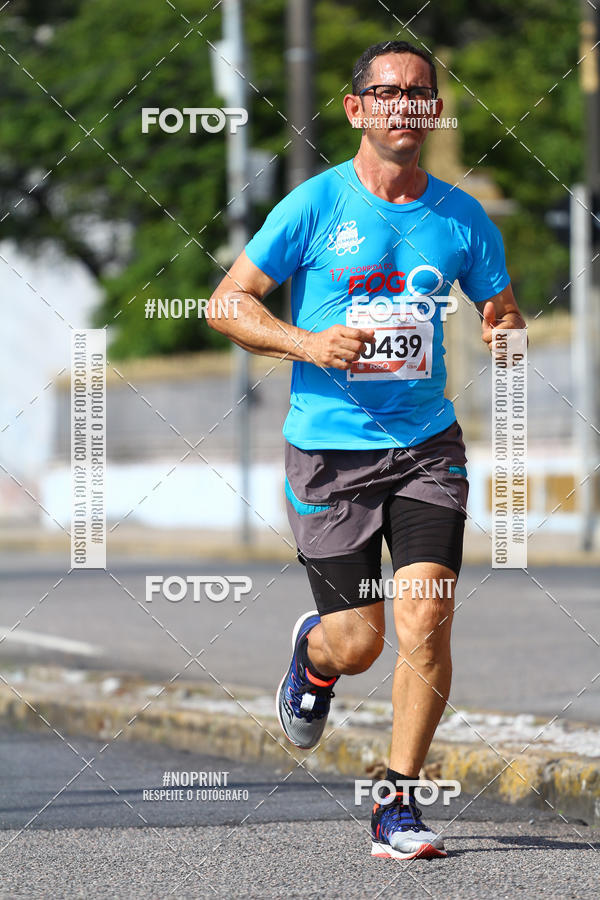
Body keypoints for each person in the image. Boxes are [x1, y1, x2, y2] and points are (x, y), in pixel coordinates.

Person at [208, 40, 526, 860]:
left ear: (433, 110)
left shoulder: (462, 217)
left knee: (426, 618)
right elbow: (226, 304)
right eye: (387, 92)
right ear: (357, 109)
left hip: (426, 447)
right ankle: (314, 659)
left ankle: (397, 802)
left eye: (419, 93)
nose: (404, 105)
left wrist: (505, 333)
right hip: (330, 455)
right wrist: (308, 344)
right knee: (360, 643)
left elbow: (502, 311)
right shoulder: (314, 206)